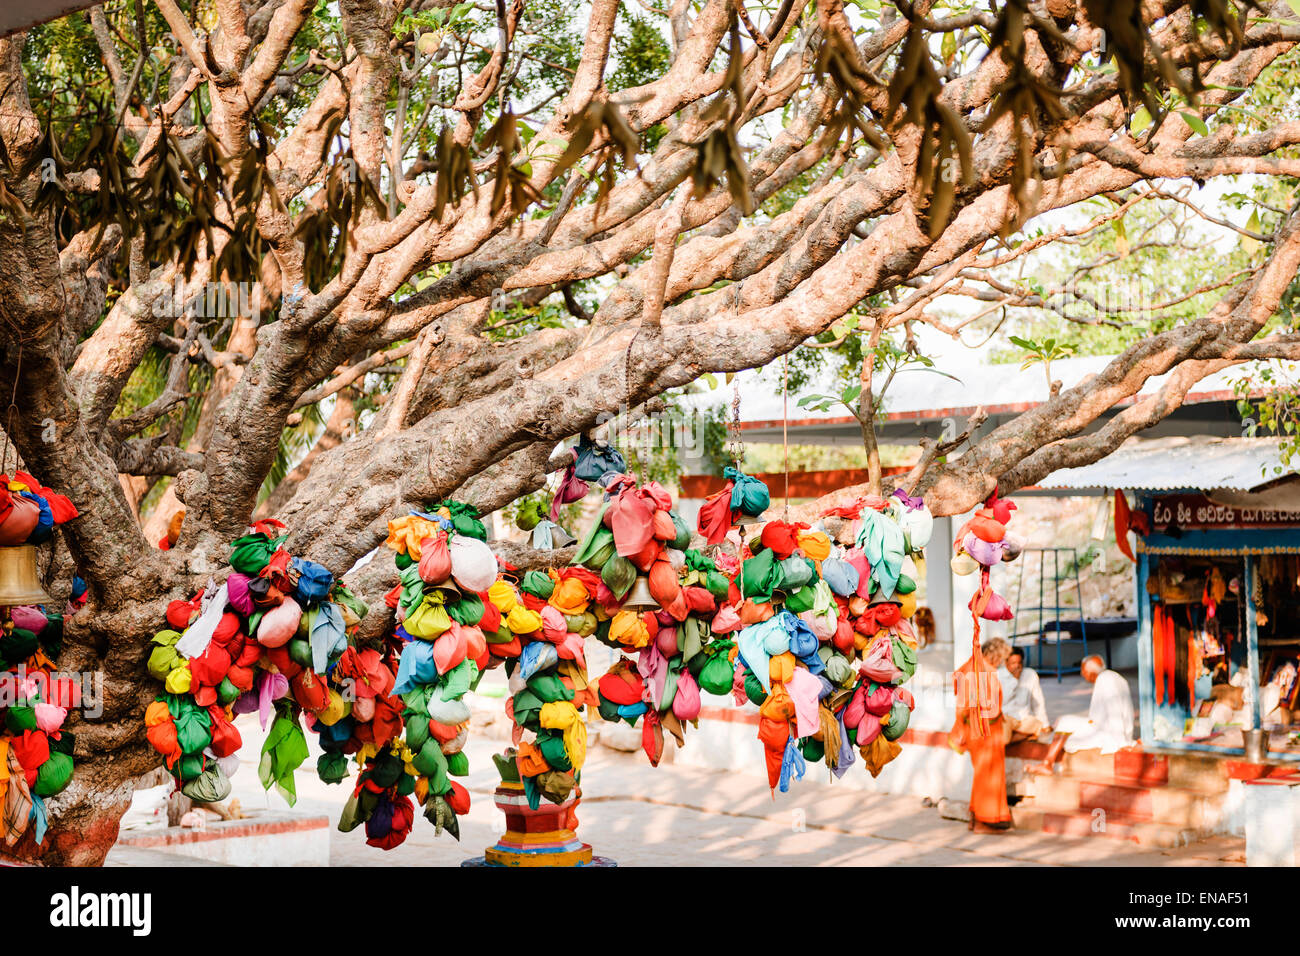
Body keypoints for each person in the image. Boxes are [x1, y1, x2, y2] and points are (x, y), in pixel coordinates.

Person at [949, 638, 1012, 833]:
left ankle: (974, 818)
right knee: (988, 777)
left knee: (981, 774)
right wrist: (1004, 718)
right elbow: (988, 709)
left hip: (972, 730)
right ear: (996, 655)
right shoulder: (985, 672)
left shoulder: (971, 667)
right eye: (1002, 658)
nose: (1002, 662)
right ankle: (982, 823)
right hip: (986, 732)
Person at [1032, 655, 1134, 773]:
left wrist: (1121, 742)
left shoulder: (1105, 679)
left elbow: (1114, 710)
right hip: (1109, 728)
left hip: (1110, 733)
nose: (1082, 674)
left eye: (1083, 671)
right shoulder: (1114, 676)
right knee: (1064, 721)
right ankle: (1048, 762)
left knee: (1065, 722)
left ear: (1090, 673)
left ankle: (1048, 763)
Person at [1002, 647, 1049, 740]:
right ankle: (1021, 737)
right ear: (1006, 663)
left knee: (1038, 724)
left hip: (1023, 721)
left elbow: (1038, 702)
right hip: (1006, 719)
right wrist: (1014, 680)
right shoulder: (999, 675)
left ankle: (1013, 738)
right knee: (1003, 733)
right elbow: (1003, 701)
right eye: (1013, 663)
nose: (1017, 666)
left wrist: (1045, 724)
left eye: (1019, 663)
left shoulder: (1030, 674)